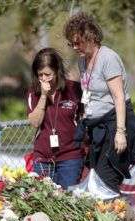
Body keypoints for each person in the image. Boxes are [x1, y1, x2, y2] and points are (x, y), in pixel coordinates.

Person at [64, 12, 135, 193]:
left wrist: (120, 132)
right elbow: (89, 94)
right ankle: (115, 219)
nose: (75, 47)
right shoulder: (82, 62)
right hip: (97, 128)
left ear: (90, 37)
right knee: (96, 181)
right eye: (72, 43)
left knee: (106, 183)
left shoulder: (108, 58)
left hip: (116, 124)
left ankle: (118, 220)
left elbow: (119, 97)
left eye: (78, 42)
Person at [27, 48, 84, 189]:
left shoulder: (74, 89)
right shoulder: (33, 93)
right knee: (43, 202)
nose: (44, 79)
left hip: (70, 157)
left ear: (57, 71)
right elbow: (35, 123)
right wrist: (43, 96)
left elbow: (84, 117)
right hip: (43, 158)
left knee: (69, 203)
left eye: (48, 74)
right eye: (40, 75)